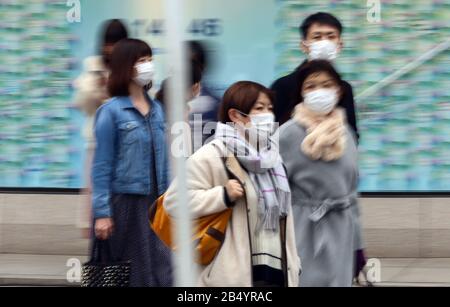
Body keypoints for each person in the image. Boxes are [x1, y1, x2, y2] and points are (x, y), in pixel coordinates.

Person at [163, 81, 301, 287]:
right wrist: (222, 196)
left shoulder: (274, 160)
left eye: (270, 108)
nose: (267, 115)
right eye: (259, 108)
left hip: (277, 271)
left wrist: (294, 263)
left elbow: (284, 218)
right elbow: (173, 201)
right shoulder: (213, 155)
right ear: (235, 115)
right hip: (232, 277)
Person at [91, 38, 171, 287]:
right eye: (142, 60)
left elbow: (165, 159)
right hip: (125, 204)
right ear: (127, 66)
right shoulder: (111, 111)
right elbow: (102, 165)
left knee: (161, 271)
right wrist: (102, 213)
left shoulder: (158, 109)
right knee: (127, 274)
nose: (149, 65)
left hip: (155, 203)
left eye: (150, 60)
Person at [279, 60, 363, 287]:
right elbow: (274, 192)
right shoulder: (287, 134)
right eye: (311, 86)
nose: (319, 92)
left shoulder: (346, 133)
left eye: (326, 85)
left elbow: (352, 194)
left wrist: (358, 246)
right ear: (301, 93)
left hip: (342, 229)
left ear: (338, 90)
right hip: (303, 228)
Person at [73, 19, 129, 238]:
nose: (111, 47)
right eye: (108, 42)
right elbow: (81, 103)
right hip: (96, 142)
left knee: (121, 200)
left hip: (125, 143)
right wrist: (96, 90)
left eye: (116, 42)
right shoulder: (92, 66)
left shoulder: (131, 67)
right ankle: (99, 246)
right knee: (95, 197)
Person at [271, 12, 358, 140]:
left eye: (331, 36)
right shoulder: (283, 85)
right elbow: (269, 135)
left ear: (340, 45)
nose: (324, 42)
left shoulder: (345, 88)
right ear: (304, 45)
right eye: (317, 37)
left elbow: (352, 135)